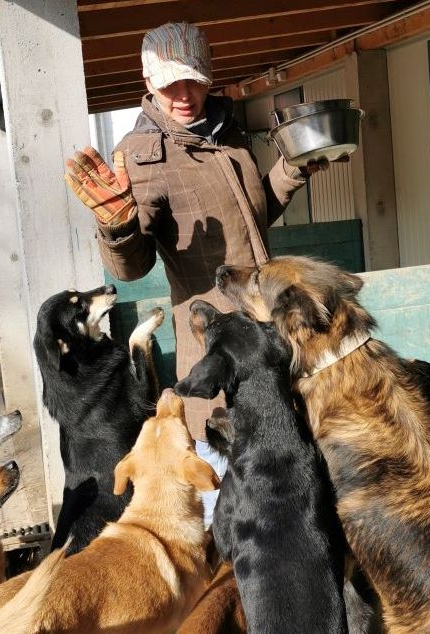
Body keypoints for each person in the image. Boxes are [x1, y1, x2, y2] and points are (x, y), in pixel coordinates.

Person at [65, 21, 337, 444]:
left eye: (194, 81)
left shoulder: (225, 131)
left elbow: (252, 216)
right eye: (171, 85)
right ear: (148, 81)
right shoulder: (141, 157)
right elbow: (131, 268)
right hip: (221, 345)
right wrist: (116, 225)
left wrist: (292, 169)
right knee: (232, 481)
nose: (184, 96)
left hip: (274, 329)